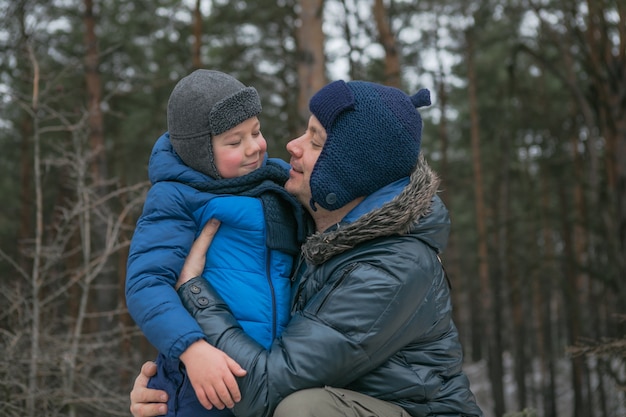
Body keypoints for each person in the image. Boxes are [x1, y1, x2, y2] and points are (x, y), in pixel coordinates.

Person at [130, 79, 484, 417]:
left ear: (350, 173)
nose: (291, 146)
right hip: (315, 394)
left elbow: (267, 388)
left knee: (304, 411)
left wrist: (192, 291)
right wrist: (172, 383)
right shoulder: (314, 226)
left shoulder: (392, 268)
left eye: (315, 142)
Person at [125, 69, 307, 417]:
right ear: (200, 153)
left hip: (268, 369)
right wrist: (192, 350)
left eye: (255, 131)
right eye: (234, 142)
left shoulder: (278, 182)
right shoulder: (179, 197)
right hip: (205, 376)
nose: (254, 147)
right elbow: (146, 283)